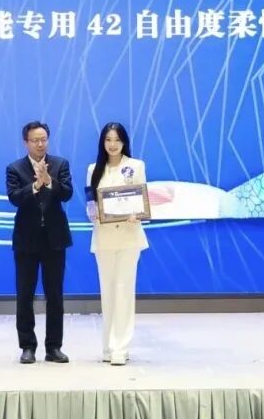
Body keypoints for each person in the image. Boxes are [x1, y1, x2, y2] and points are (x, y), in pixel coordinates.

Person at [6, 121, 73, 364]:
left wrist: (49, 181)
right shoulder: (15, 168)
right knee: (25, 295)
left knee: (55, 295)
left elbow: (67, 193)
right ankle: (27, 346)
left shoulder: (60, 164)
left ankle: (54, 347)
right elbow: (14, 198)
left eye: (44, 139)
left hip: (55, 239)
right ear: (26, 142)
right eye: (35, 140)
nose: (40, 144)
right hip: (26, 240)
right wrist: (35, 185)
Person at [85, 122, 149, 365]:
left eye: (117, 140)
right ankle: (108, 346)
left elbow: (141, 200)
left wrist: (136, 214)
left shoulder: (136, 166)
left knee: (124, 290)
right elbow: (90, 204)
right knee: (108, 292)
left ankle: (120, 347)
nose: (113, 144)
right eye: (108, 139)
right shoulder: (93, 169)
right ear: (102, 142)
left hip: (129, 237)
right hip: (103, 238)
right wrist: (94, 214)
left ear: (124, 142)